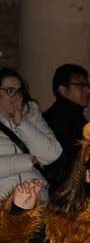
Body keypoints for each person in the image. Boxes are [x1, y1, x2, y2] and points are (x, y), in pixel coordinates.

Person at [0, 67, 62, 200]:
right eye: (10, 91)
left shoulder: (30, 112)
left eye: (19, 91)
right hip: (4, 203)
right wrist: (27, 161)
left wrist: (21, 123)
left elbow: (52, 154)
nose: (16, 96)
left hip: (38, 201)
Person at [41, 64, 90, 187]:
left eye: (88, 85)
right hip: (68, 187)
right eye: (81, 85)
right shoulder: (60, 118)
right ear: (62, 90)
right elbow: (61, 163)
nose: (88, 90)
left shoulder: (73, 114)